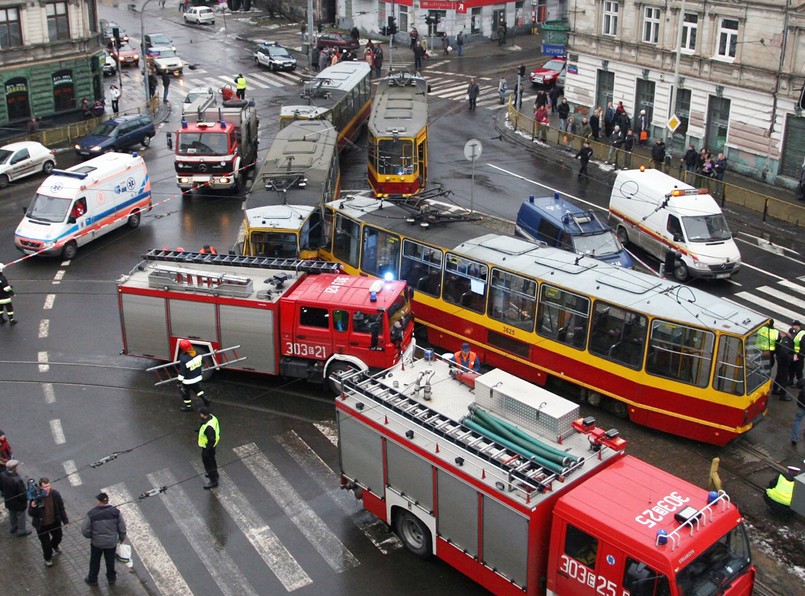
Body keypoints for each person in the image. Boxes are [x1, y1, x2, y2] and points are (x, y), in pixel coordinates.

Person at [82, 492, 126, 586]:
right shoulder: (115, 512)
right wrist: (122, 538)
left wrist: (91, 536)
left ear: (98, 501)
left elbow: (85, 530)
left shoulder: (91, 514)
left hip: (97, 543)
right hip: (111, 543)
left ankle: (92, 579)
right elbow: (122, 527)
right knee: (110, 561)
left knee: (95, 561)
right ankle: (111, 579)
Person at [28, 477, 69, 568]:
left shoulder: (55, 494)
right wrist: (33, 506)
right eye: (45, 487)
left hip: (54, 522)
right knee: (45, 544)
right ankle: (48, 558)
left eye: (48, 486)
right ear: (40, 487)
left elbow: (61, 508)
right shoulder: (36, 497)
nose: (47, 488)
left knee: (58, 537)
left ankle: (54, 546)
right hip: (42, 525)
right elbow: (31, 513)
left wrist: (65, 521)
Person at [177, 338, 208, 411]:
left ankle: (188, 407)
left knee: (185, 393)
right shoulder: (197, 353)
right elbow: (202, 362)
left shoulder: (184, 358)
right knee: (197, 390)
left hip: (188, 380)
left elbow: (182, 372)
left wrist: (179, 382)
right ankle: (206, 400)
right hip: (197, 377)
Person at [0, 460, 31, 536]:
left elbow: (1, 487)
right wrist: (26, 500)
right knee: (21, 516)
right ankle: (22, 530)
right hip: (18, 502)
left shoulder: (2, 475)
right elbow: (22, 493)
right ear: (14, 468)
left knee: (12, 513)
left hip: (8, 499)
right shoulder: (17, 480)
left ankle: (13, 527)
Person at [198, 407, 220, 489]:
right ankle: (215, 474)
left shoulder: (208, 427)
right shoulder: (212, 418)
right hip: (212, 446)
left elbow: (211, 440)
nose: (200, 415)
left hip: (208, 447)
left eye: (201, 413)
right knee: (212, 460)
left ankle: (213, 480)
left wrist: (207, 450)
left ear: (204, 415)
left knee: (208, 463)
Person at [773, 328, 794, 398]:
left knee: (779, 376)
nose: (792, 336)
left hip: (782, 361)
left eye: (793, 335)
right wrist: (793, 357)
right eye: (791, 334)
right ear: (788, 333)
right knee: (784, 379)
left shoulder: (787, 339)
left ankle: (775, 389)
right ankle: (783, 395)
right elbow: (784, 354)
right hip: (783, 362)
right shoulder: (786, 342)